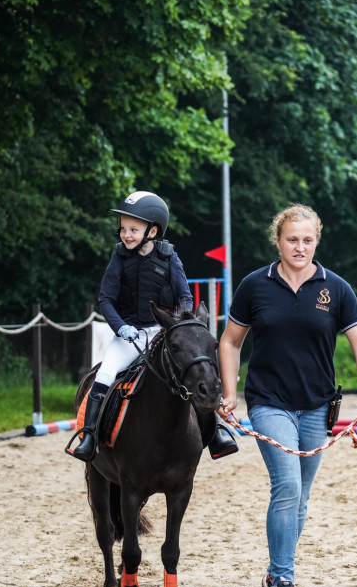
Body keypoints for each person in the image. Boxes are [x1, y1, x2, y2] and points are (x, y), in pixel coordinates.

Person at [217, 203, 357, 587]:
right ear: (278, 240)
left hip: (317, 407)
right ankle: (283, 583)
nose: (300, 247)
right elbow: (230, 342)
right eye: (292, 239)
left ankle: (276, 574)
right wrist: (229, 391)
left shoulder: (336, 289)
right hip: (268, 402)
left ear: (316, 242)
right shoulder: (255, 286)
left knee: (302, 497)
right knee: (287, 487)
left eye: (308, 240)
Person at [73, 190, 238, 462]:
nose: (126, 234)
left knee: (197, 371)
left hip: (165, 332)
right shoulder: (119, 258)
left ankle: (216, 433)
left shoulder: (169, 256)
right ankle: (89, 436)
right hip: (129, 335)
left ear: (152, 231)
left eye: (133, 229)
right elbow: (106, 299)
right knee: (106, 374)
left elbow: (185, 294)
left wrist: (182, 323)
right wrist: (121, 328)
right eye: (124, 229)